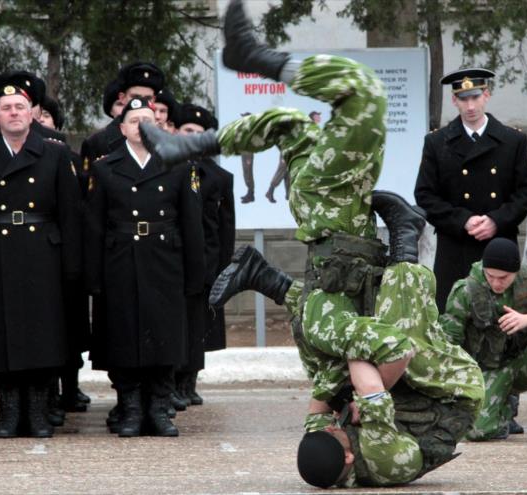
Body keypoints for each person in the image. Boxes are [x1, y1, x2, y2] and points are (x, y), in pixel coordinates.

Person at [141, 0, 484, 486]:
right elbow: (394, 351)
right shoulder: (380, 458)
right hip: (344, 228)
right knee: (293, 125)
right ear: (348, 460)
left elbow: (383, 354)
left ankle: (247, 68)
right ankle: (194, 147)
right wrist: (362, 401)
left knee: (363, 95)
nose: (329, 428)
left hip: (335, 212)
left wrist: (356, 396)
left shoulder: (329, 359)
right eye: (337, 436)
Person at [0, 73, 82, 438]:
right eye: (6, 108)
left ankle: (38, 411)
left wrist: (72, 265)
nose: (14, 113)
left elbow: (70, 214)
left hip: (43, 254)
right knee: (1, 336)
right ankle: (9, 412)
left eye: (20, 107)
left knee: (43, 335)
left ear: (32, 114)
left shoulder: (56, 153)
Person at [84, 97, 204, 437]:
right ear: (122, 129)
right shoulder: (105, 167)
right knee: (123, 336)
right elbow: (94, 225)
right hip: (119, 261)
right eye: (135, 120)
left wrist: (196, 274)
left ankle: (159, 409)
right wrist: (92, 276)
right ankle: (131, 408)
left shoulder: (178, 165)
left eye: (149, 120)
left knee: (164, 337)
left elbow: (191, 223)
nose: (142, 126)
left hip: (165, 262)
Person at [414, 67, 527, 312]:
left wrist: (496, 219)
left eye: (475, 97)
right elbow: (425, 195)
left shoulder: (512, 141)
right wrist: (463, 220)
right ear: (454, 101)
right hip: (455, 245)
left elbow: (526, 191)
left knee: (503, 319)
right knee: (454, 318)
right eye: (463, 99)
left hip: (499, 244)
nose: (470, 106)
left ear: (487, 96)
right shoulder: (437, 142)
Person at [439, 238, 527, 443]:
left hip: (522, 364)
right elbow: (449, 345)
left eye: (503, 277)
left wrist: (526, 320)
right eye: (490, 276)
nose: (496, 283)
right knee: (477, 432)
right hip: (488, 368)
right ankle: (503, 411)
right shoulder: (466, 290)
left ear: (516, 271)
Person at [171, 102, 234, 408]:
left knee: (197, 325)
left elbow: (225, 227)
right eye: (187, 131)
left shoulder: (219, 177)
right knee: (175, 322)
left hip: (205, 262)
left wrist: (223, 267)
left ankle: (189, 381)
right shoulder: (166, 169)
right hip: (171, 259)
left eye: (198, 133)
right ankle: (171, 380)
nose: (192, 137)